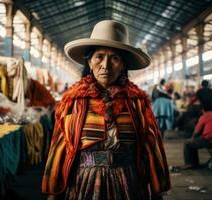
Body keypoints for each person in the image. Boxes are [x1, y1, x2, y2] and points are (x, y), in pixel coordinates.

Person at [42, 20, 170, 200]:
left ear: (124, 65)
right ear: (89, 61)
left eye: (115, 58)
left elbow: (152, 145)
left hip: (128, 183)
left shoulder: (137, 103)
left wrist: (158, 191)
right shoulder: (73, 102)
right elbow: (59, 147)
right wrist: (52, 193)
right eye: (99, 56)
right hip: (84, 183)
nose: (106, 65)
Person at [182, 105, 212, 169]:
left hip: (210, 141)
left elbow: (197, 130)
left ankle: (189, 164)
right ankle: (194, 164)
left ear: (203, 110)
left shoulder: (205, 116)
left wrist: (192, 138)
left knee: (187, 143)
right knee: (194, 142)